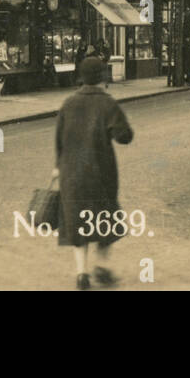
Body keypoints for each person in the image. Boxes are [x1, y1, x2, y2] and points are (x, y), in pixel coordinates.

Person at [55, 49, 134, 290]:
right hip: (100, 174)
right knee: (106, 220)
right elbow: (125, 136)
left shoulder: (68, 103)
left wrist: (58, 168)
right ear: (102, 76)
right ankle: (101, 266)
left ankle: (81, 274)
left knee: (79, 222)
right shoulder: (107, 103)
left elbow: (59, 140)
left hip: (72, 174)